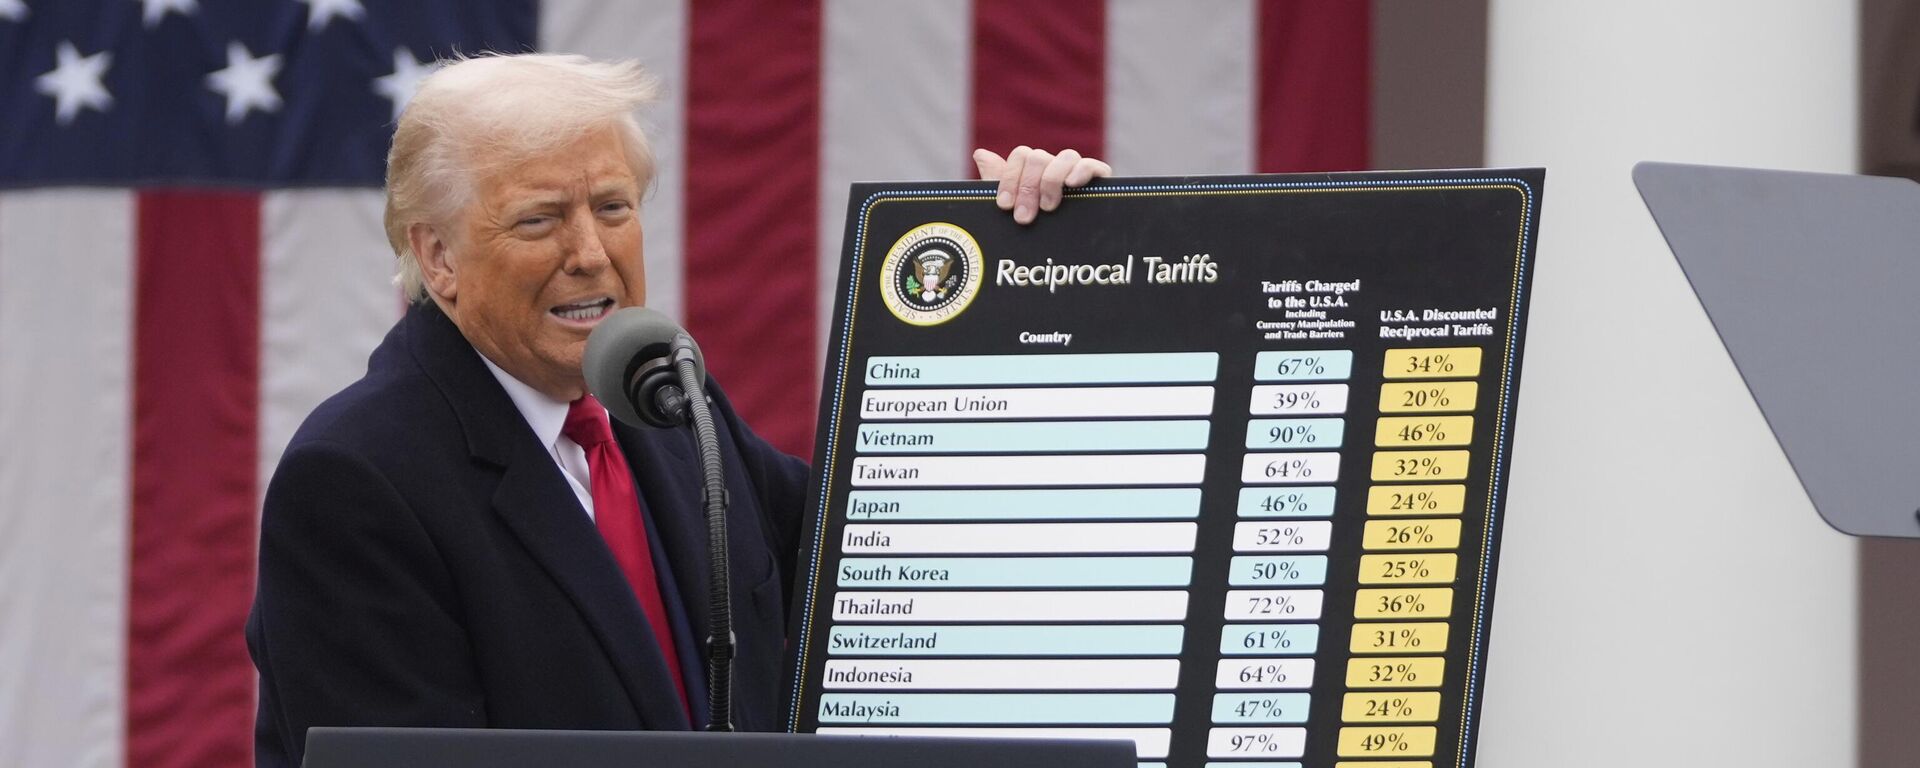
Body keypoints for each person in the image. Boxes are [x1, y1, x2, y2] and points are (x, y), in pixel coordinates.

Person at [245, 53, 1110, 768]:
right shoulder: (355, 481)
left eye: (613, 208)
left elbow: (895, 562)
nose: (592, 253)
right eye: (540, 220)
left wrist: (1035, 274)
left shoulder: (662, 402)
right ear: (438, 257)